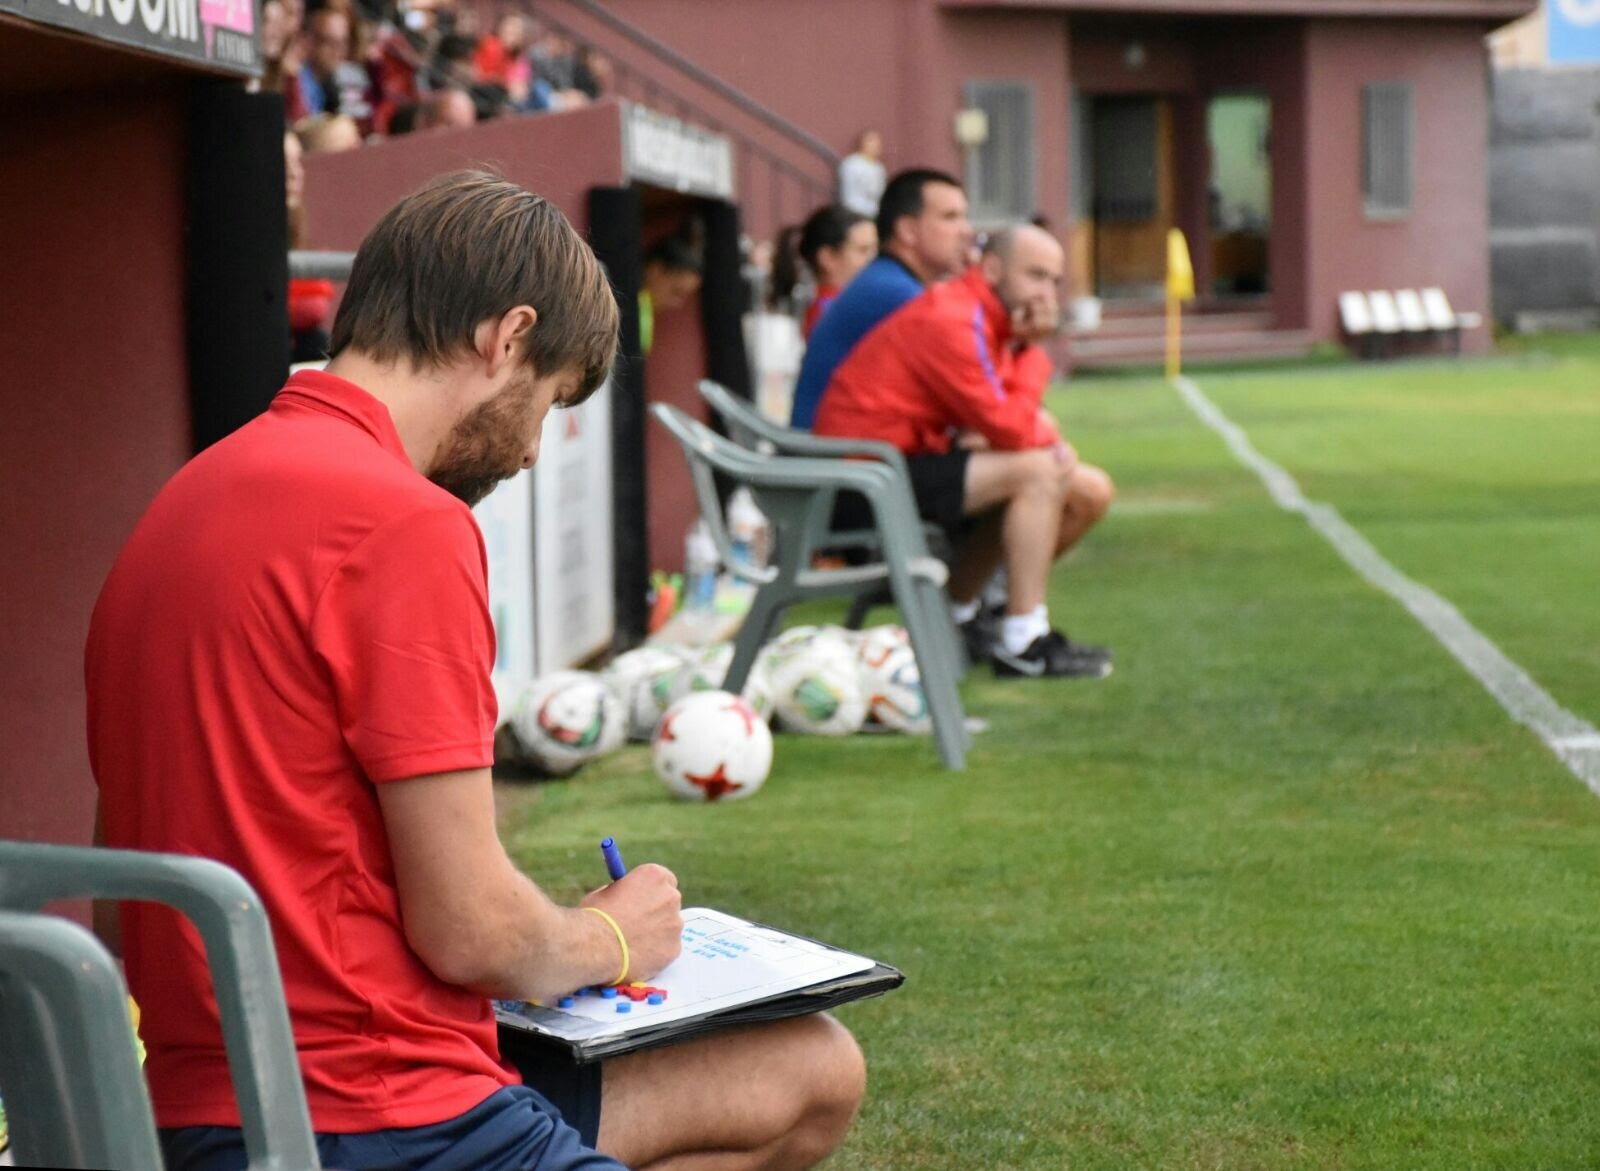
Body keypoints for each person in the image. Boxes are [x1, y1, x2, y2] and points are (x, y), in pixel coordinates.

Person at [88, 171, 866, 1171]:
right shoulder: (406, 522)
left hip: (192, 1108)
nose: (537, 447)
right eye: (549, 401)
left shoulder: (179, 504)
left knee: (810, 1068)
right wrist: (614, 937)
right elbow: (473, 934)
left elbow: (122, 905)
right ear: (506, 338)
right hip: (378, 1117)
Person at [813, 224, 1114, 678]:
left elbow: (1006, 416)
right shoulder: (953, 316)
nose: (1047, 294)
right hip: (862, 482)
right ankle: (1023, 642)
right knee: (1039, 472)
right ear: (992, 269)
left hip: (900, 466)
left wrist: (1026, 355)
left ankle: (958, 616)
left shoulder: (985, 318)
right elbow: (1011, 426)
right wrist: (1035, 368)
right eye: (1035, 276)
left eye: (1054, 281)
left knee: (1088, 490)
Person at [789, 168, 972, 429]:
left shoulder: (889, 282)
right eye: (950, 217)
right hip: (836, 458)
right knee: (1029, 462)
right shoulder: (896, 293)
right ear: (907, 230)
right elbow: (972, 389)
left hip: (841, 450)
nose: (966, 230)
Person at [771, 206, 877, 339]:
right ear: (827, 257)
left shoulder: (849, 307)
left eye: (875, 250)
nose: (873, 259)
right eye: (863, 250)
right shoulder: (834, 313)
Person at [638, 235, 702, 355]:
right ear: (655, 271)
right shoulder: (635, 308)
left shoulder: (645, 311)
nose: (677, 303)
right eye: (676, 291)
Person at [837, 130, 887, 218]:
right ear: (862, 143)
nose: (876, 145)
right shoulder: (852, 163)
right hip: (856, 211)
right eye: (871, 141)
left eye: (878, 142)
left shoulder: (879, 167)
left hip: (874, 212)